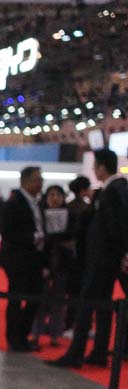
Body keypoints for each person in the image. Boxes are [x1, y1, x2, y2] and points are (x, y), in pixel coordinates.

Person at [48, 150, 128, 368]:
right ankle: (98, 353)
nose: (94, 170)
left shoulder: (115, 190)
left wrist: (123, 253)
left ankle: (77, 353)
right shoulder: (112, 190)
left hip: (103, 259)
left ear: (101, 167)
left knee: (87, 305)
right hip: (105, 258)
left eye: (95, 166)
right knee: (101, 306)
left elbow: (120, 225)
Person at [0, 166, 47, 351]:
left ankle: (22, 336)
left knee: (35, 299)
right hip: (18, 260)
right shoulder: (13, 203)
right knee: (16, 299)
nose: (40, 183)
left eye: (41, 179)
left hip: (35, 259)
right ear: (25, 182)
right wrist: (33, 237)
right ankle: (14, 339)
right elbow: (8, 233)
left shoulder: (37, 203)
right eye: (37, 179)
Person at [30, 185, 76, 346]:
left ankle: (55, 335)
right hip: (43, 263)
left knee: (59, 301)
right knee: (39, 301)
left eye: (58, 195)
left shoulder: (71, 215)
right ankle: (36, 333)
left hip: (63, 264)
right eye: (51, 195)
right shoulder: (40, 215)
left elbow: (72, 236)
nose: (55, 198)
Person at [64, 176, 95, 330]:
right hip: (84, 256)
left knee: (72, 292)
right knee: (82, 292)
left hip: (69, 256)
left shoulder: (67, 206)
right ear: (83, 190)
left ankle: (69, 323)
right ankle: (79, 324)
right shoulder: (88, 209)